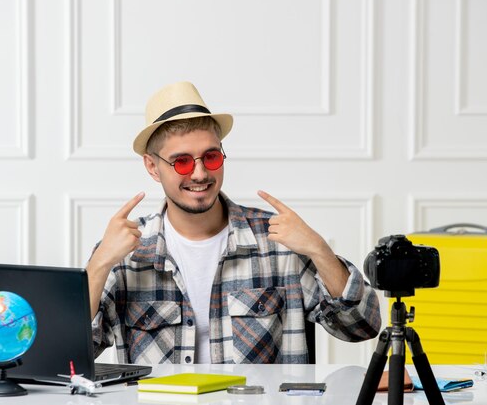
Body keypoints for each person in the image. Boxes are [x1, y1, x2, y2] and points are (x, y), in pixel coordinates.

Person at [87, 81, 381, 364]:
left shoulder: (278, 243)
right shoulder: (124, 254)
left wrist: (319, 250)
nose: (200, 174)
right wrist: (99, 265)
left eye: (211, 157)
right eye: (183, 162)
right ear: (153, 166)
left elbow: (361, 326)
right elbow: (69, 356)